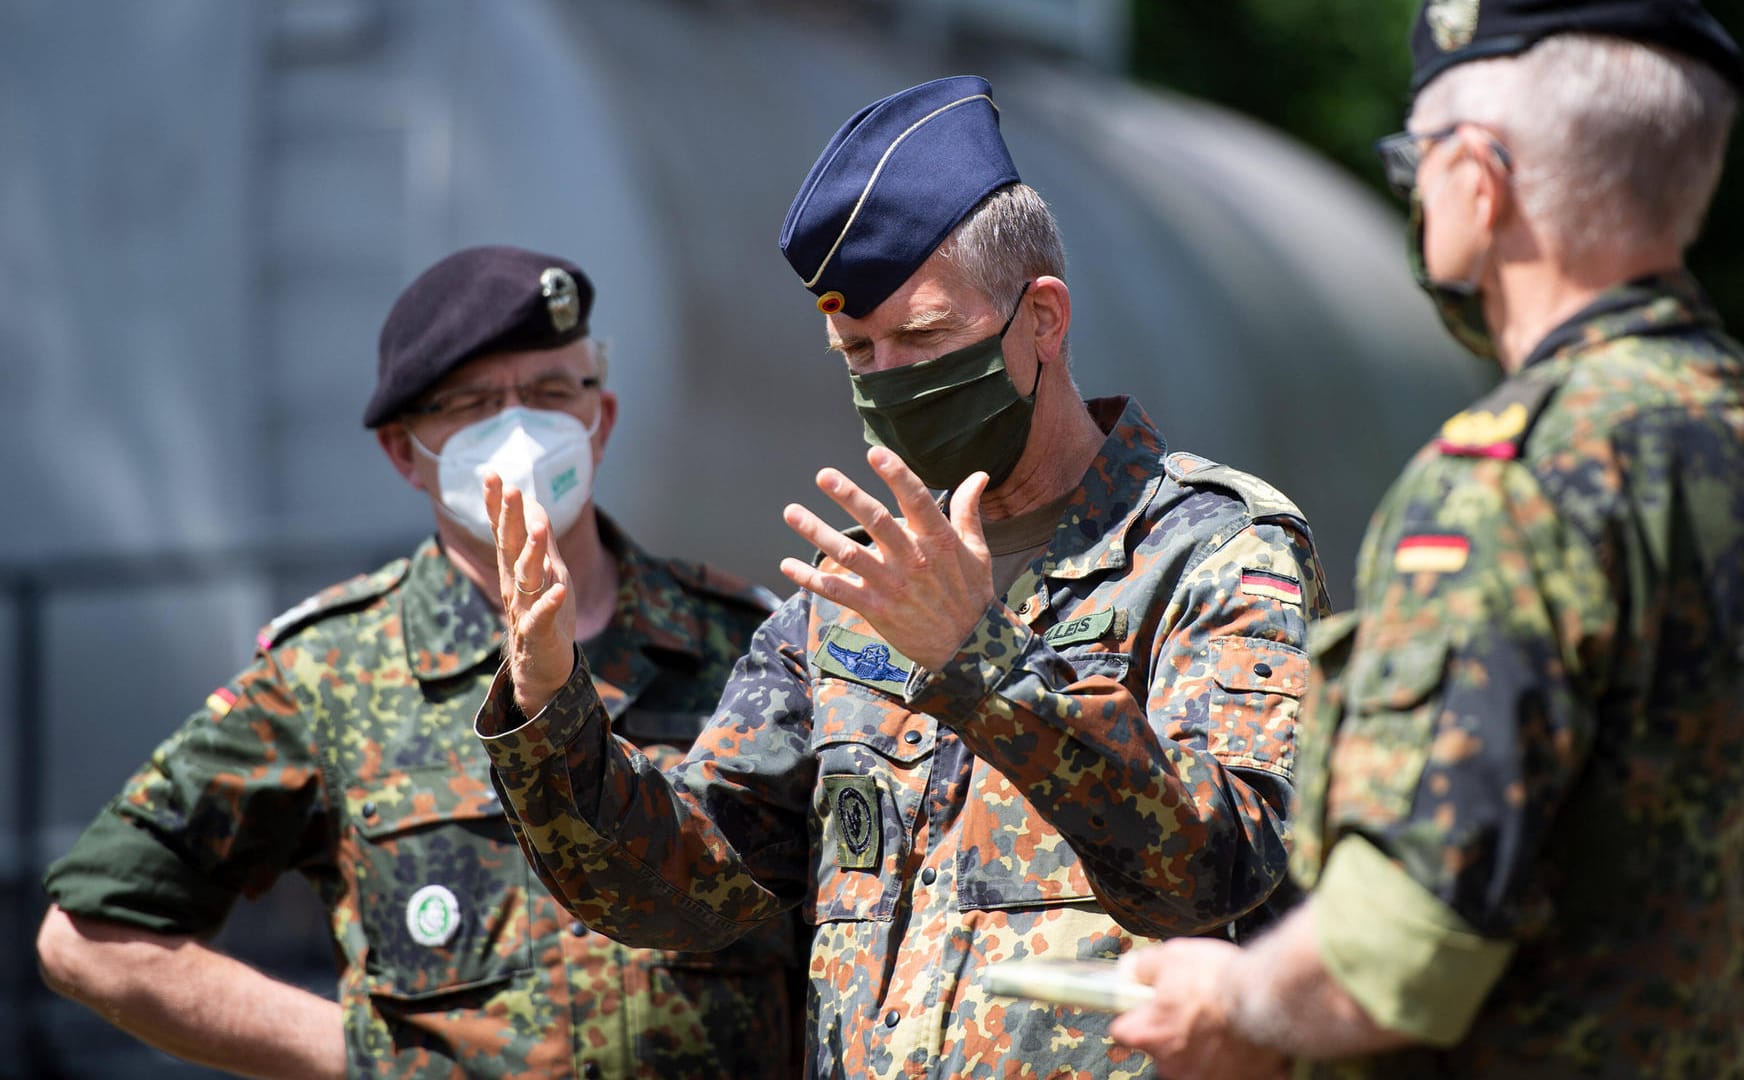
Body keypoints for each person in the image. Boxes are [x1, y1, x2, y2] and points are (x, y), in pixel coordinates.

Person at [1108, 3, 1744, 1076]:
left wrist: (1240, 1001)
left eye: (1416, 162)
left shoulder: (1511, 479)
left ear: (1479, 181)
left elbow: (1399, 950)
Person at [475, 76, 1330, 1078]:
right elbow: (682, 892)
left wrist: (982, 662)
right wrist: (550, 712)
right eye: (859, 352)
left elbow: (1223, 870)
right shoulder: (851, 598)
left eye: (923, 338)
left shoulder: (1214, 552)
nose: (891, 380)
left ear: (1042, 318)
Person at [36, 246, 803, 1078]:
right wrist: (367, 1059)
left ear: (601, 420)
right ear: (406, 453)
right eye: (474, 405)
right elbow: (91, 939)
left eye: (551, 393)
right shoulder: (333, 673)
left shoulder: (748, 645)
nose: (520, 429)